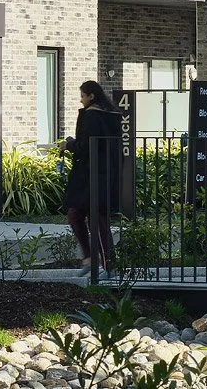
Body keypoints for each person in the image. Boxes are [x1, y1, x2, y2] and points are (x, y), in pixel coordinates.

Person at [60, 80, 121, 277]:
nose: (81, 99)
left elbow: (86, 146)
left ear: (91, 96)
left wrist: (69, 144)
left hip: (90, 175)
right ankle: (90, 259)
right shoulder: (110, 116)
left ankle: (107, 265)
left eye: (83, 95)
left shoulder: (93, 116)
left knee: (96, 219)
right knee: (77, 214)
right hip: (103, 174)